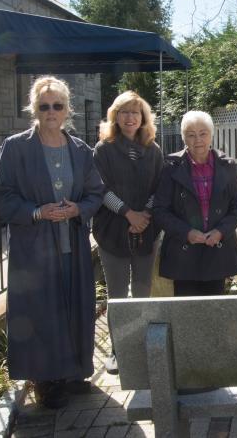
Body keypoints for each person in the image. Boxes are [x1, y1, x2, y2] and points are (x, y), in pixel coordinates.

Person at [0, 76, 103, 409]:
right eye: (44, 105)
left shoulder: (81, 150)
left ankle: (73, 374)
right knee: (43, 313)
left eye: (57, 105)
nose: (51, 111)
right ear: (34, 109)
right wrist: (38, 212)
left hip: (74, 244)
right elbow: (2, 197)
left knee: (76, 309)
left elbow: (95, 192)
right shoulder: (16, 147)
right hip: (36, 248)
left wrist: (77, 209)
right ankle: (46, 381)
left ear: (67, 110)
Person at [92, 91, 164, 374]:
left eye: (136, 112)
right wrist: (127, 213)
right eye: (124, 112)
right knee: (118, 294)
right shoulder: (103, 150)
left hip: (146, 230)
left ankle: (141, 346)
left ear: (144, 117)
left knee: (143, 290)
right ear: (115, 116)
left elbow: (159, 188)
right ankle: (119, 350)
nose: (130, 117)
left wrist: (143, 216)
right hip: (112, 231)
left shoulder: (153, 150)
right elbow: (100, 189)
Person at [152, 111, 237, 296]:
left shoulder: (228, 165)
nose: (198, 140)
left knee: (214, 311)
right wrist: (186, 232)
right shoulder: (170, 167)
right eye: (191, 134)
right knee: (185, 315)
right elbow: (160, 210)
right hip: (183, 253)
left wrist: (220, 232)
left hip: (217, 251)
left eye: (203, 133)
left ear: (211, 134)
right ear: (183, 137)